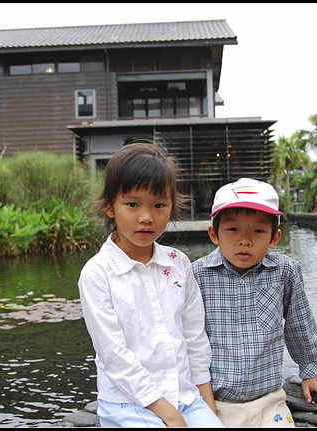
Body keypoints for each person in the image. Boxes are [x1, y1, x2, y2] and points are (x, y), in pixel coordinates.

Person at [77, 141, 224, 428]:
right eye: (132, 204)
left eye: (159, 205)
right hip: (128, 404)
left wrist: (208, 406)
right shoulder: (97, 273)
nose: (146, 217)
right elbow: (114, 356)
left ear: (171, 207)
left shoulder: (179, 263)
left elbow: (194, 337)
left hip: (185, 397)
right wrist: (170, 415)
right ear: (110, 207)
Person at [192, 178, 317, 427]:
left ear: (275, 237)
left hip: (268, 401)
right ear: (214, 234)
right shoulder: (197, 274)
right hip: (212, 401)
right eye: (233, 229)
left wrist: (310, 372)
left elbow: (299, 323)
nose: (245, 240)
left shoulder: (285, 271)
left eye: (258, 231)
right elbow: (187, 338)